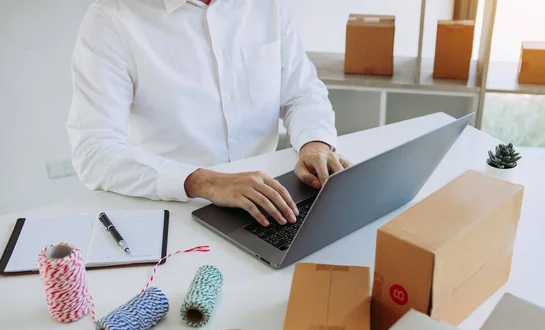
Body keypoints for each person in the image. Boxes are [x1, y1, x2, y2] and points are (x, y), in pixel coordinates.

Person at [67, 0, 350, 228]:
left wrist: (315, 143)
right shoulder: (112, 19)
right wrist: (205, 182)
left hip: (272, 198)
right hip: (178, 210)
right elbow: (94, 151)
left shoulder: (267, 6)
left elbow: (301, 93)